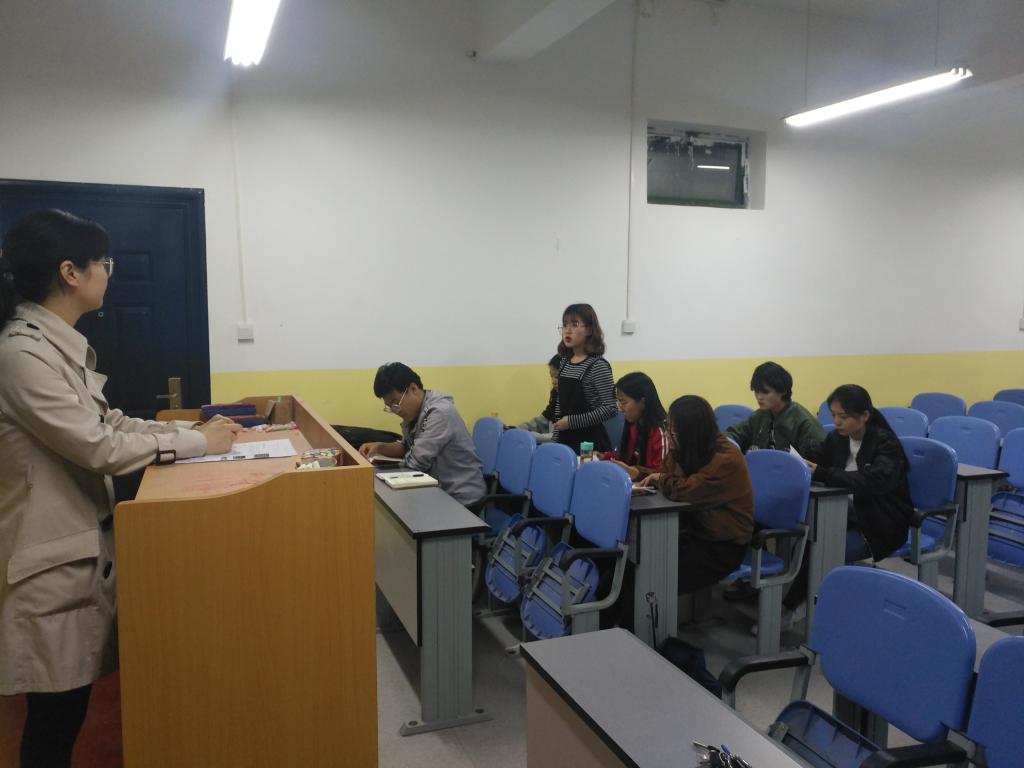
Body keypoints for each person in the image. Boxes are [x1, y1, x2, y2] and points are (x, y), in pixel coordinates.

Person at [0, 209, 240, 768]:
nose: (109, 272)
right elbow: (98, 447)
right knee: (54, 719)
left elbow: (110, 422)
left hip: (78, 550)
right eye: (103, 262)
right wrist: (198, 443)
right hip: (49, 561)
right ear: (70, 272)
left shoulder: (54, 345)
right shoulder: (22, 354)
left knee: (66, 711)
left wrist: (187, 430)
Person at [780, 384, 913, 619]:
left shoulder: (886, 444)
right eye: (833, 415)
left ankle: (795, 606)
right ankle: (807, 600)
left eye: (843, 416)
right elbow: (819, 457)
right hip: (843, 516)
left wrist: (822, 472)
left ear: (864, 416)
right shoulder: (838, 438)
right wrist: (799, 458)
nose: (837, 422)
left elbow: (871, 482)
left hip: (879, 523)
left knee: (817, 550)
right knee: (800, 543)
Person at [640, 395, 754, 595]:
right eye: (667, 426)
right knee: (642, 564)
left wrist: (660, 478)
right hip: (694, 533)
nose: (667, 434)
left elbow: (687, 490)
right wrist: (638, 473)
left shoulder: (726, 458)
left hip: (724, 545)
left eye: (673, 430)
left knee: (657, 579)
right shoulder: (686, 446)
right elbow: (663, 474)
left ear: (691, 431)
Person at [358, 362, 486, 507]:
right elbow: (407, 447)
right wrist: (380, 447)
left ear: (413, 389)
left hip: (461, 500)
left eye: (395, 403)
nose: (395, 411)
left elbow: (416, 463)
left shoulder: (439, 413)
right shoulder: (415, 414)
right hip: (437, 493)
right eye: (390, 407)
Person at [552, 303, 616, 454]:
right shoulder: (564, 361)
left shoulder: (597, 365)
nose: (567, 330)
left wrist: (572, 422)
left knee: (584, 469)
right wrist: (555, 438)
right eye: (565, 325)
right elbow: (560, 404)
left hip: (589, 443)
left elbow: (610, 408)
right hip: (565, 439)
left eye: (575, 324)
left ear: (589, 330)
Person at [725, 361, 824, 453]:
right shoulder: (758, 417)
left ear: (783, 391)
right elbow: (733, 434)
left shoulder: (805, 423)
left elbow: (816, 461)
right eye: (756, 391)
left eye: (765, 392)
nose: (759, 397)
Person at [602, 371, 668, 480]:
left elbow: (662, 475)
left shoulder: (661, 432)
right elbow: (626, 459)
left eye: (623, 402)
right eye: (619, 402)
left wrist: (636, 472)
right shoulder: (633, 426)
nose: (620, 408)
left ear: (642, 401)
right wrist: (605, 457)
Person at [514, 354, 560, 443]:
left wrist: (526, 435)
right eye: (551, 376)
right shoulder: (555, 394)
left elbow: (555, 438)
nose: (553, 381)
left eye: (557, 377)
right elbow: (541, 421)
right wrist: (516, 430)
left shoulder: (574, 403)